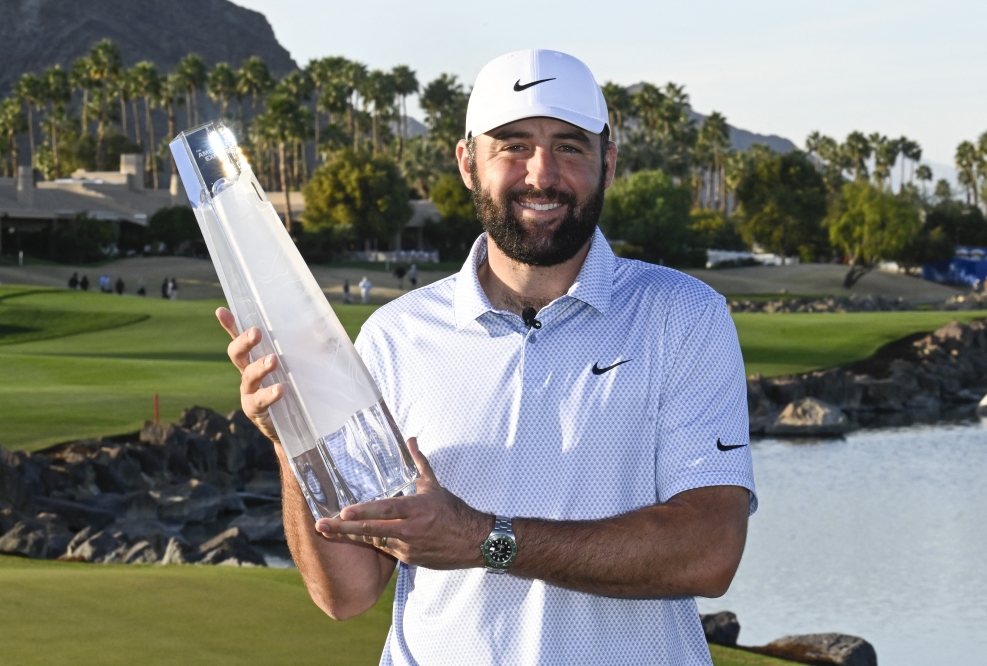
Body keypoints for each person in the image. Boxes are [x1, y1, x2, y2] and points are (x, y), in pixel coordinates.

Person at [216, 49, 754, 666]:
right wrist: (291, 436)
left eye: (571, 147)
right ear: (468, 163)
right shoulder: (396, 335)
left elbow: (709, 551)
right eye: (513, 146)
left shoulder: (684, 317)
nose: (542, 173)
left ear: (609, 162)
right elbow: (347, 591)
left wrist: (483, 540)